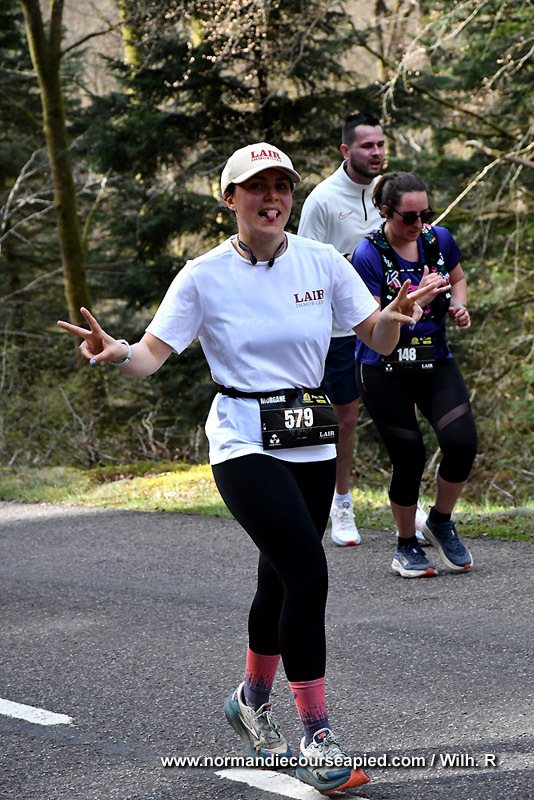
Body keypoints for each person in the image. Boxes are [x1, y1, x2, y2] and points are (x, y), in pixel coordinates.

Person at [57, 144, 445, 792]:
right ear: (230, 197)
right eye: (256, 186)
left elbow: (374, 336)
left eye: (281, 186)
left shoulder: (323, 261)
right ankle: (318, 736)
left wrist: (396, 320)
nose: (272, 197)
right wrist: (116, 350)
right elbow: (150, 355)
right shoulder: (203, 275)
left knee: (280, 580)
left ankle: (249, 703)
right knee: (308, 572)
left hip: (310, 434)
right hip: (242, 437)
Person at [351, 171, 478, 578]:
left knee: (462, 443)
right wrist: (413, 304)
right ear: (386, 212)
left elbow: (457, 278)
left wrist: (458, 306)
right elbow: (374, 327)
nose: (419, 224)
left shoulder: (438, 240)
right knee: (409, 458)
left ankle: (440, 521)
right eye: (409, 217)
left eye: (426, 214)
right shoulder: (368, 254)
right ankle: (405, 544)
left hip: (433, 358)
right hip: (383, 366)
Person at [298, 112, 388, 547]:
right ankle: (341, 502)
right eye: (367, 146)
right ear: (345, 150)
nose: (376, 153)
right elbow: (303, 266)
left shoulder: (388, 192)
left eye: (381, 144)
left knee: (399, 412)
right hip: (338, 331)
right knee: (345, 419)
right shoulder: (322, 200)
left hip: (387, 323)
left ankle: (407, 504)